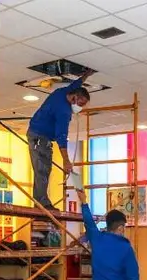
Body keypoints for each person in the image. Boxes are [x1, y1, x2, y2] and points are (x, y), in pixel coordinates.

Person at [27, 70, 94, 210]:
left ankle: (40, 201)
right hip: (39, 137)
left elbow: (76, 84)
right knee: (42, 170)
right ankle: (41, 203)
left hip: (38, 135)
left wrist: (85, 76)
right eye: (80, 103)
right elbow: (61, 137)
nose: (80, 107)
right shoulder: (64, 111)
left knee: (43, 169)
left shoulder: (63, 92)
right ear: (74, 97)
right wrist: (66, 161)